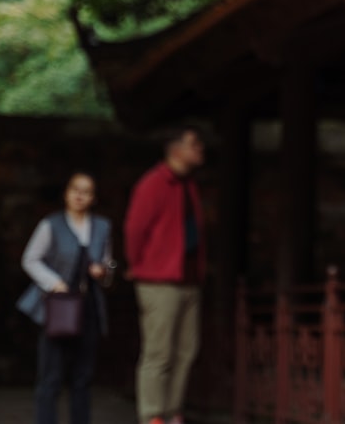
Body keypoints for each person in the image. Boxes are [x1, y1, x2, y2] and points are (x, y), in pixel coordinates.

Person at [124, 125, 207, 424]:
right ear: (176, 150)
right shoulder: (153, 184)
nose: (200, 149)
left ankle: (173, 411)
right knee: (158, 352)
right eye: (194, 144)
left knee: (187, 350)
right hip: (158, 280)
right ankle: (152, 414)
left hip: (188, 279)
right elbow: (134, 230)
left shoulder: (189, 184)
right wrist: (139, 265)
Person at [17, 171, 114, 424]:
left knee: (83, 376)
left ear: (93, 197)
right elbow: (30, 259)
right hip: (58, 306)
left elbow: (109, 266)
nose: (80, 196)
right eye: (76, 189)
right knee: (51, 375)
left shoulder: (102, 226)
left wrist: (103, 271)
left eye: (87, 191)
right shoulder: (51, 224)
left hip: (88, 306)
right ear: (67, 193)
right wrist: (53, 282)